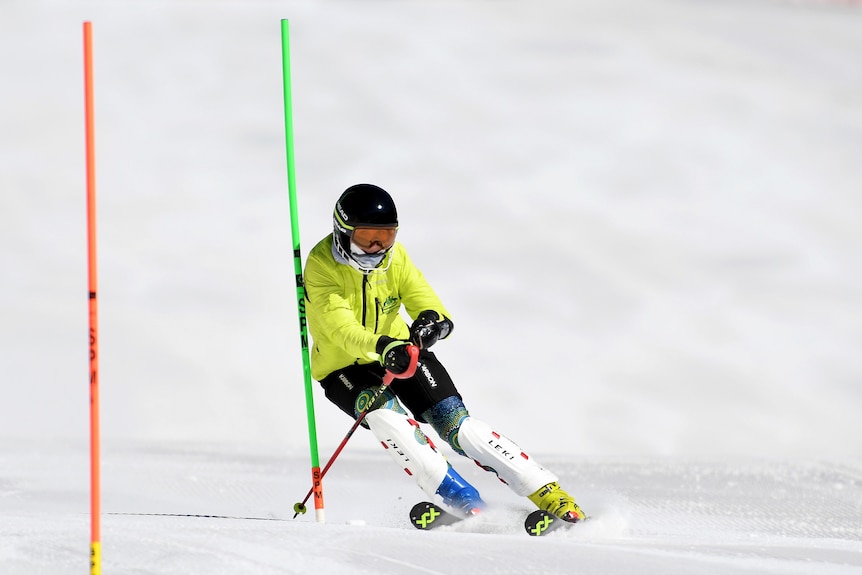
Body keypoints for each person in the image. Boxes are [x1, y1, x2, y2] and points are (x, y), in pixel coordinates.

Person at [303, 183, 586, 521]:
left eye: (386, 236)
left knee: (458, 426)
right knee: (389, 421)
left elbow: (427, 300)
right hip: (344, 367)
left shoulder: (396, 257)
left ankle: (550, 493)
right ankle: (465, 501)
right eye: (366, 237)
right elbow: (341, 330)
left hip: (400, 352)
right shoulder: (321, 265)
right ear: (342, 232)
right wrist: (384, 346)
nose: (377, 246)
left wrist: (432, 322)